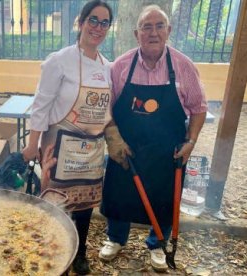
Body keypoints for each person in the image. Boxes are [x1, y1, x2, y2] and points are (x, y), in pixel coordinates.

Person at [99, 5, 207, 272]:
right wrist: (113, 139)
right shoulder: (121, 66)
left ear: (168, 31)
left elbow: (199, 107)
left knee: (165, 198)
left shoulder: (183, 66)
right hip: (128, 149)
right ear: (137, 34)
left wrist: (190, 142)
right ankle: (115, 239)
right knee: (119, 194)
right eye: (147, 27)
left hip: (166, 151)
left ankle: (157, 243)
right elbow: (107, 106)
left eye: (159, 26)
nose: (153, 32)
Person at [22, 1, 114, 274]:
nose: (98, 27)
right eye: (93, 20)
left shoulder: (107, 67)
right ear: (81, 22)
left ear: (109, 28)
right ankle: (51, 250)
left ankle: (80, 252)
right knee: (56, 202)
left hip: (91, 149)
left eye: (104, 22)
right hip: (59, 145)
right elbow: (41, 106)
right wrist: (31, 145)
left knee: (84, 202)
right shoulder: (58, 61)